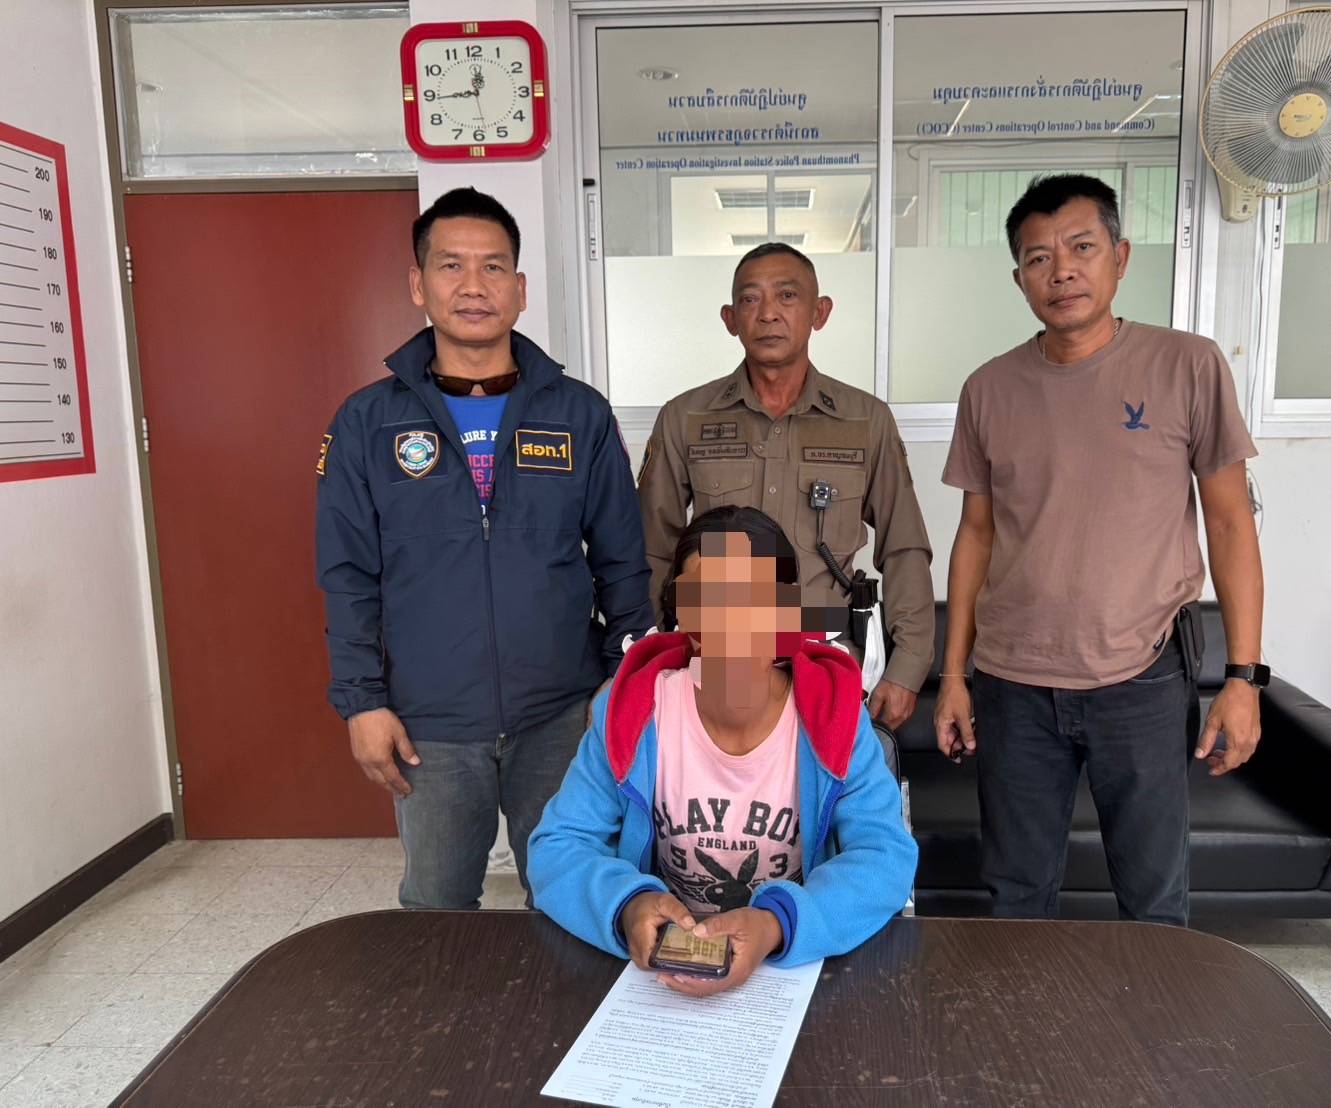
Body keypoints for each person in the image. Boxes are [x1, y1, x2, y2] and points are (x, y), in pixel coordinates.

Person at [933, 174, 1265, 926]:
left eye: (1081, 248)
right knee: (1015, 896)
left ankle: (1150, 1012)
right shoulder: (988, 389)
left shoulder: (1188, 365)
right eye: (1038, 258)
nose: (1061, 271)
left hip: (1140, 677)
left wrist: (1243, 678)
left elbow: (1230, 524)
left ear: (1120, 257)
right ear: (1019, 278)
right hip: (1013, 682)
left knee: (1153, 899)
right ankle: (1025, 1009)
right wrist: (954, 676)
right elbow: (976, 534)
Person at [315, 187, 652, 908]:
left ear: (520, 290)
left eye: (493, 267)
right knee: (436, 909)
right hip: (428, 724)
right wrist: (361, 703)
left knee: (574, 899)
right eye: (451, 266)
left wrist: (623, 684)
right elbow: (348, 577)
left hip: (563, 714)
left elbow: (624, 563)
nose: (473, 286)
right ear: (418, 285)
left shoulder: (579, 414)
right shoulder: (367, 422)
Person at [529, 507, 916, 997]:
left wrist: (775, 925)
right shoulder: (632, 712)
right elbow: (557, 847)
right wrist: (627, 905)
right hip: (661, 979)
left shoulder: (834, 715)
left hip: (791, 972)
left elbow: (886, 857)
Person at [638, 243, 934, 731]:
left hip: (827, 659)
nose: (768, 313)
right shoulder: (685, 417)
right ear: (730, 319)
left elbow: (904, 546)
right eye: (750, 299)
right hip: (714, 665)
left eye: (787, 296)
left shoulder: (865, 421)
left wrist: (908, 667)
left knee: (831, 781)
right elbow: (652, 549)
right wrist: (647, 657)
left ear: (820, 312)